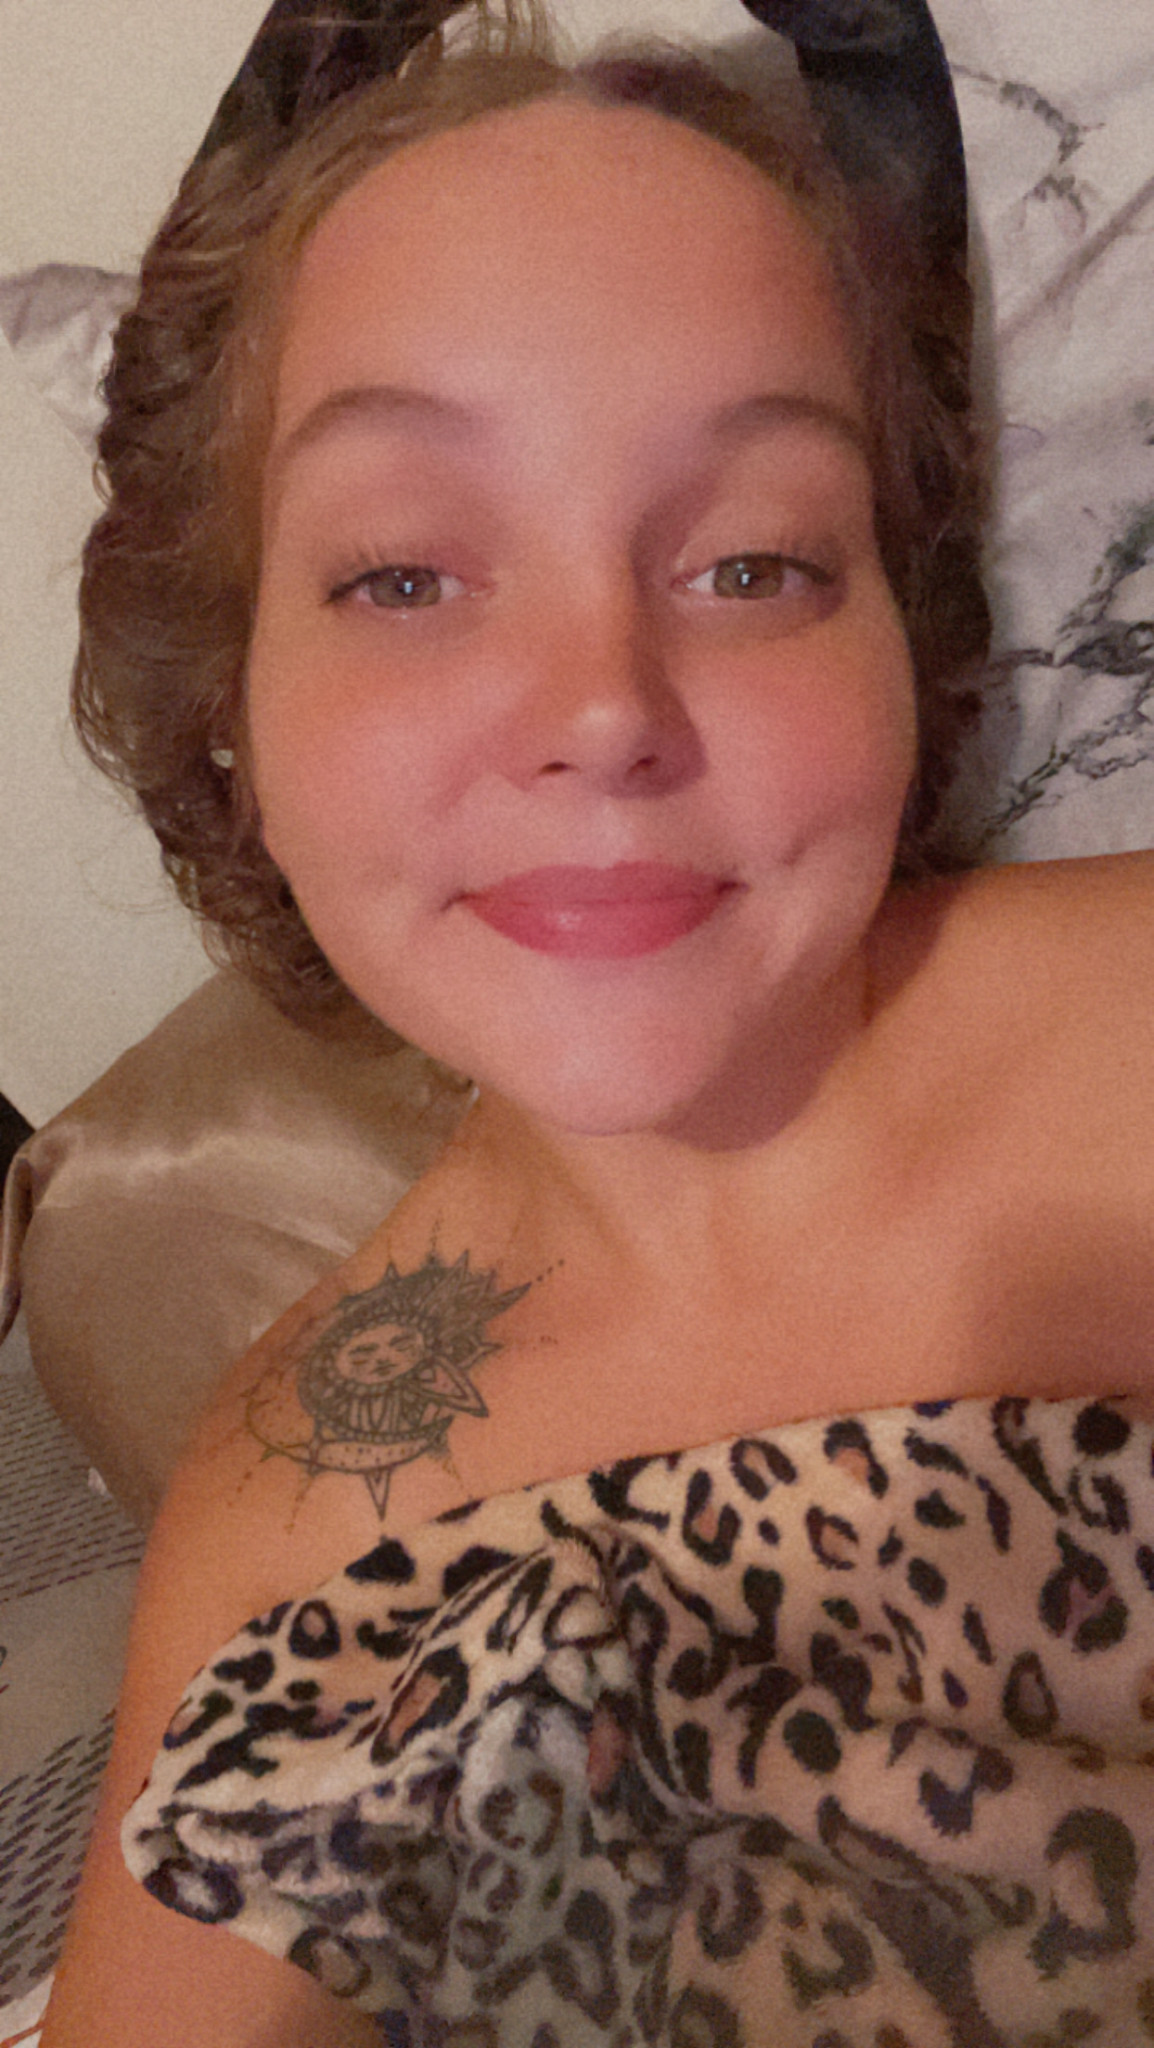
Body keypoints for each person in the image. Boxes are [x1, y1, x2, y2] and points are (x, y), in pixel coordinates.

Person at [41, 2, 1154, 2043]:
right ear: (232, 708)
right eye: (400, 577)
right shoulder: (290, 1516)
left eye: (752, 563)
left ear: (902, 653)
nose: (603, 709)